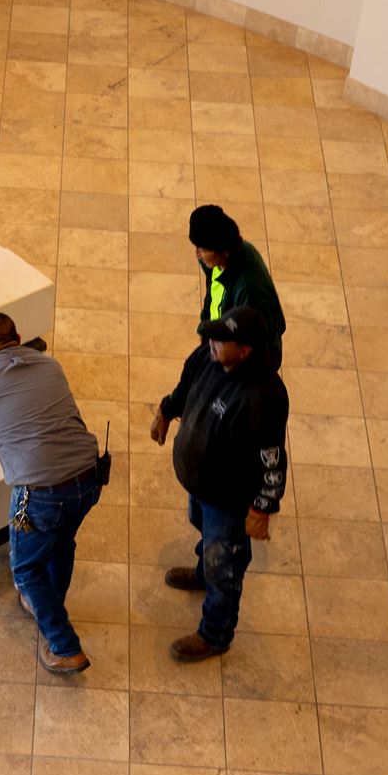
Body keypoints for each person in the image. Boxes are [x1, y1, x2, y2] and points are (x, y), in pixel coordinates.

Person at [0, 313, 104, 676]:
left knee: (26, 570)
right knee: (61, 543)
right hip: (89, 479)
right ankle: (48, 605)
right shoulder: (50, 365)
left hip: (41, 492)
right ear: (20, 337)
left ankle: (64, 647)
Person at [151, 306, 290, 662]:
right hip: (202, 486)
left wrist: (262, 509)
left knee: (224, 564)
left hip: (228, 499)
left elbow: (271, 460)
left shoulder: (263, 396)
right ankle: (202, 573)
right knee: (202, 530)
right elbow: (185, 386)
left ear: (244, 351)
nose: (211, 343)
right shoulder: (208, 356)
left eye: (221, 340)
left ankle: (215, 635)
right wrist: (166, 411)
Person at [188, 205, 287, 363]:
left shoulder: (250, 289)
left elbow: (260, 341)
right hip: (218, 338)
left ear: (223, 250)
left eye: (203, 249)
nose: (198, 255)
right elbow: (214, 294)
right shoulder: (219, 261)